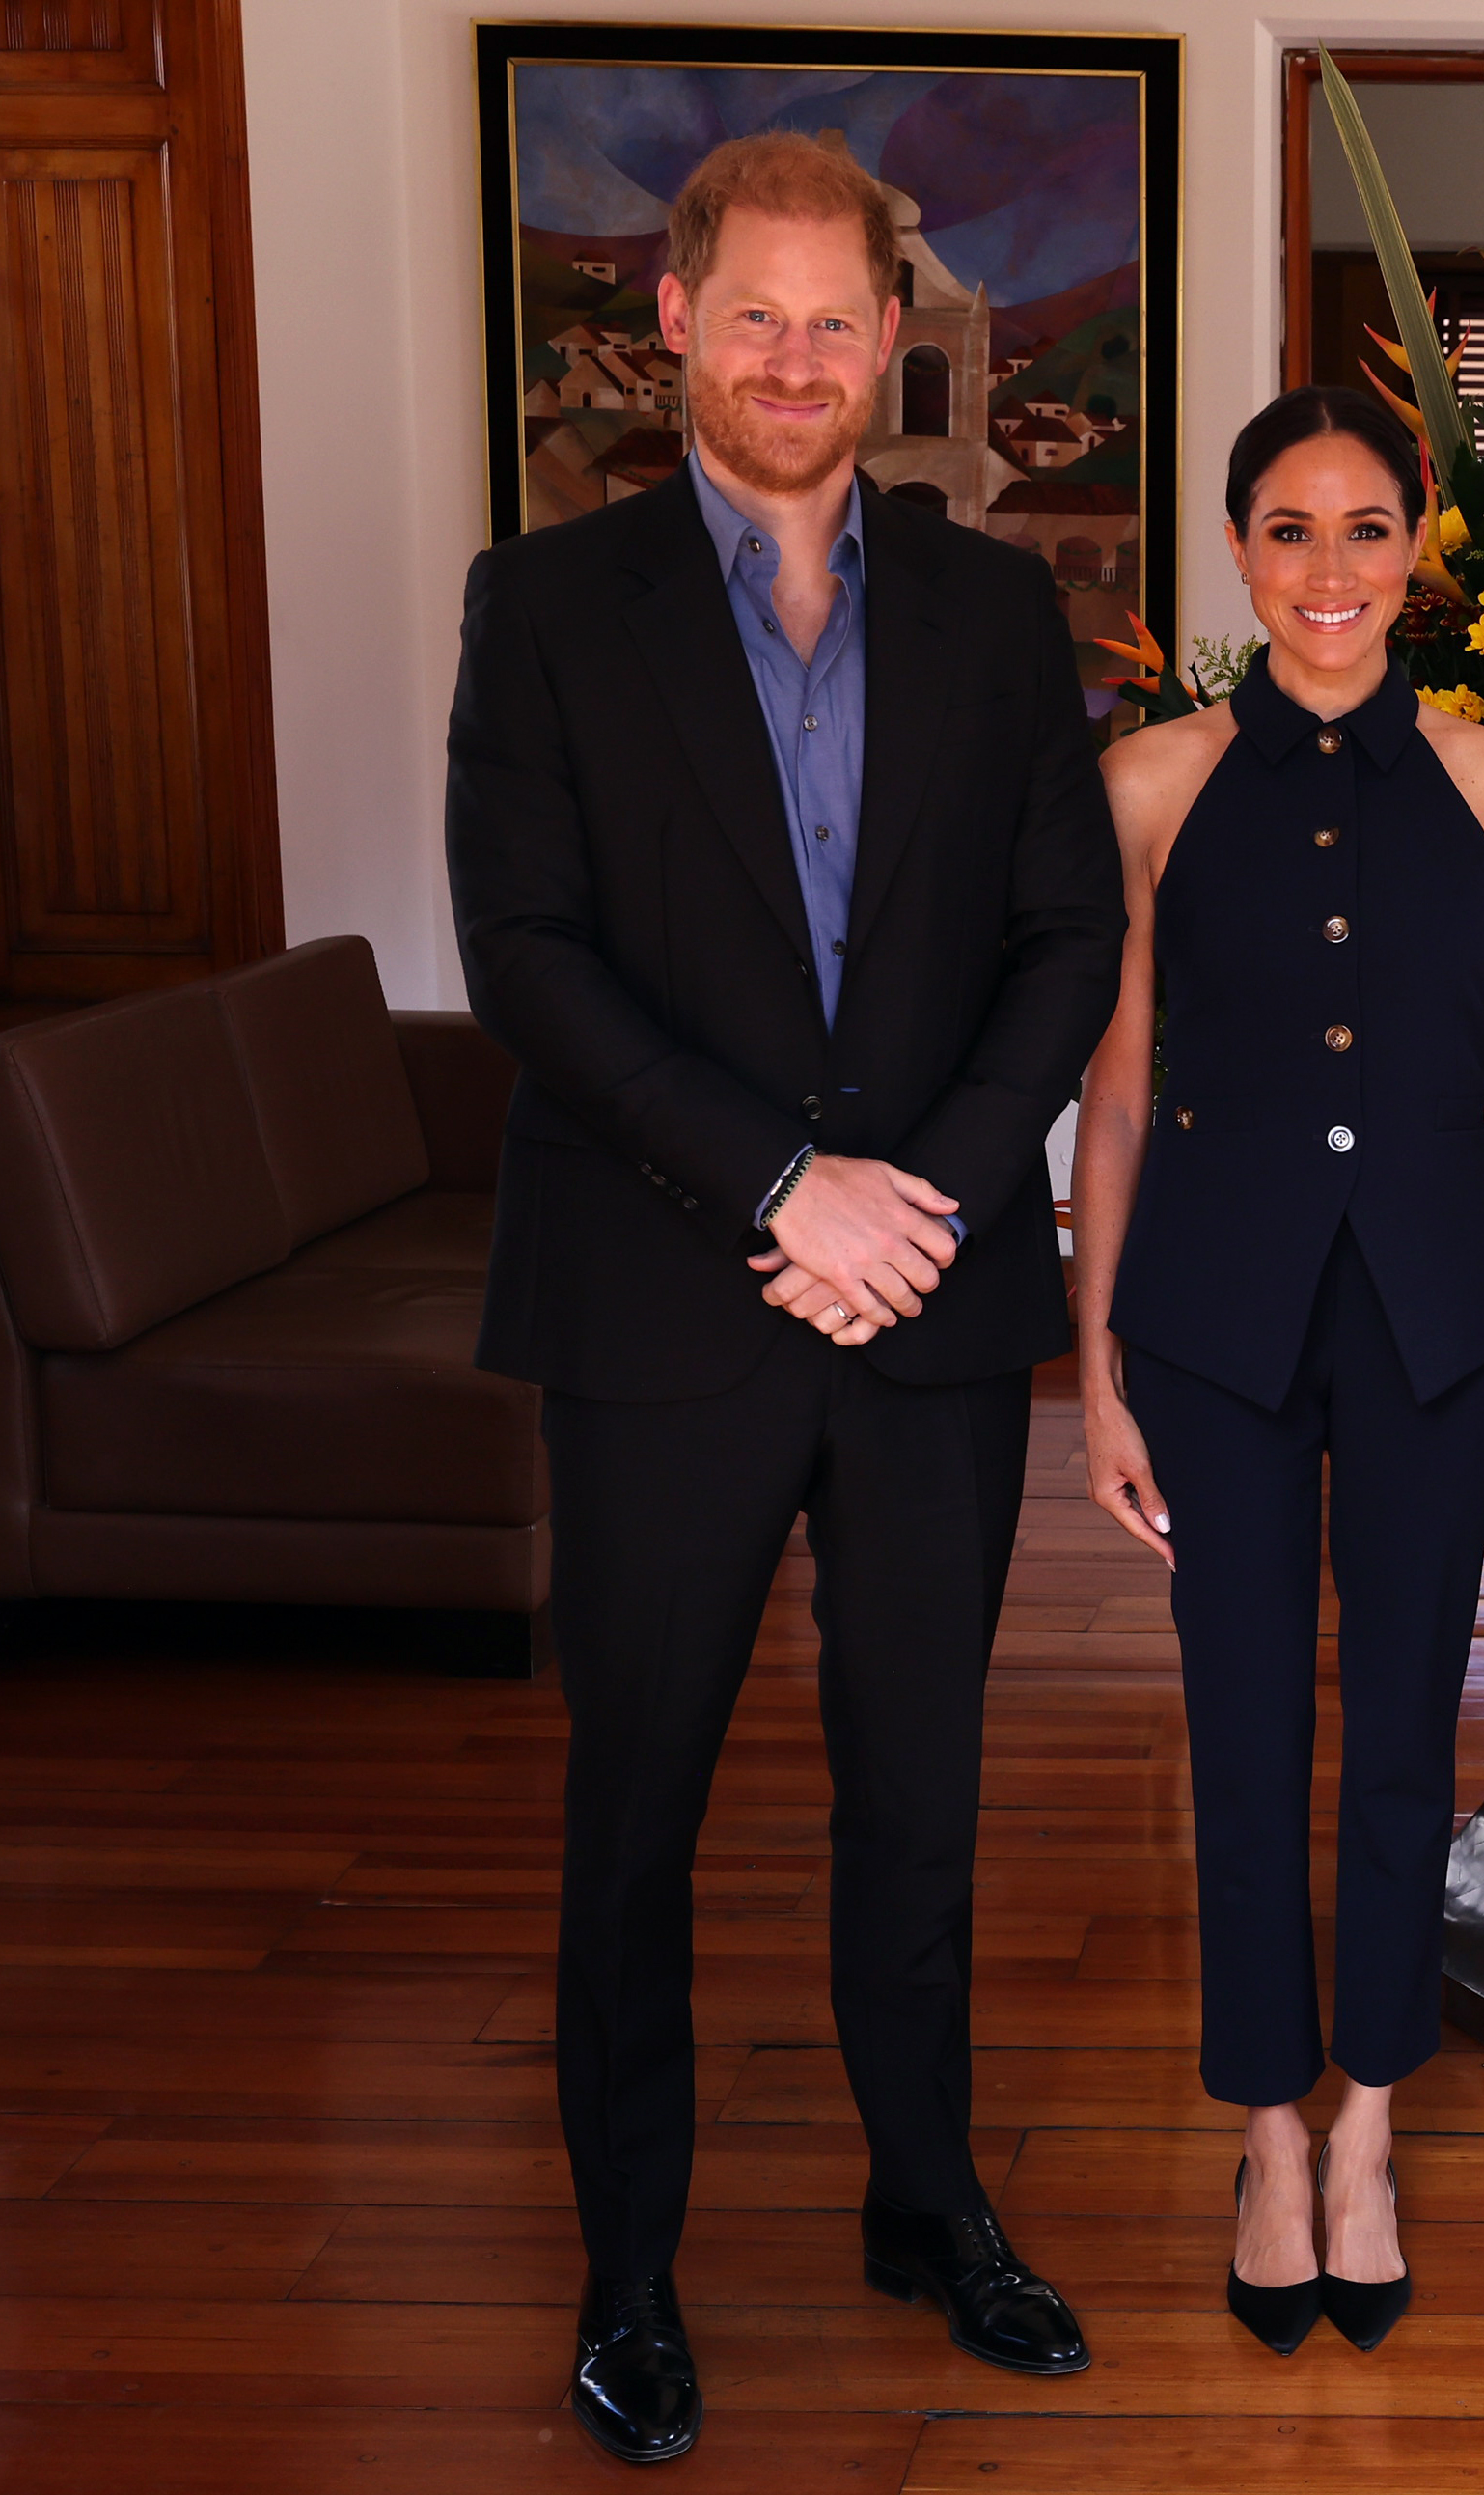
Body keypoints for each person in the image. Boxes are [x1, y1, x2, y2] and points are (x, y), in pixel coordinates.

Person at [446, 132, 1122, 2466]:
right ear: (676, 315)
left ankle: (927, 2201)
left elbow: (1067, 940)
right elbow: (523, 957)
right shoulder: (546, 607)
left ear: (888, 336)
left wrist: (911, 1194)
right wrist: (779, 1185)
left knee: (916, 1795)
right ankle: (627, 2271)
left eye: (843, 321)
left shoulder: (993, 612)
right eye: (761, 317)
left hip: (924, 1299)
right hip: (661, 1303)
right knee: (634, 1812)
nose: (802, 361)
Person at [1067, 386, 1484, 2356]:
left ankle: (1369, 2119)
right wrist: (1101, 1369)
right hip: (1214, 1314)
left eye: (1369, 528)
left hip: (1443, 1308)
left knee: (1402, 1733)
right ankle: (1264, 2129)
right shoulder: (1150, 786)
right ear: (1236, 550)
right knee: (1242, 1726)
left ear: (1423, 539)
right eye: (1290, 531)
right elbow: (1116, 1099)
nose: (1332, 572)